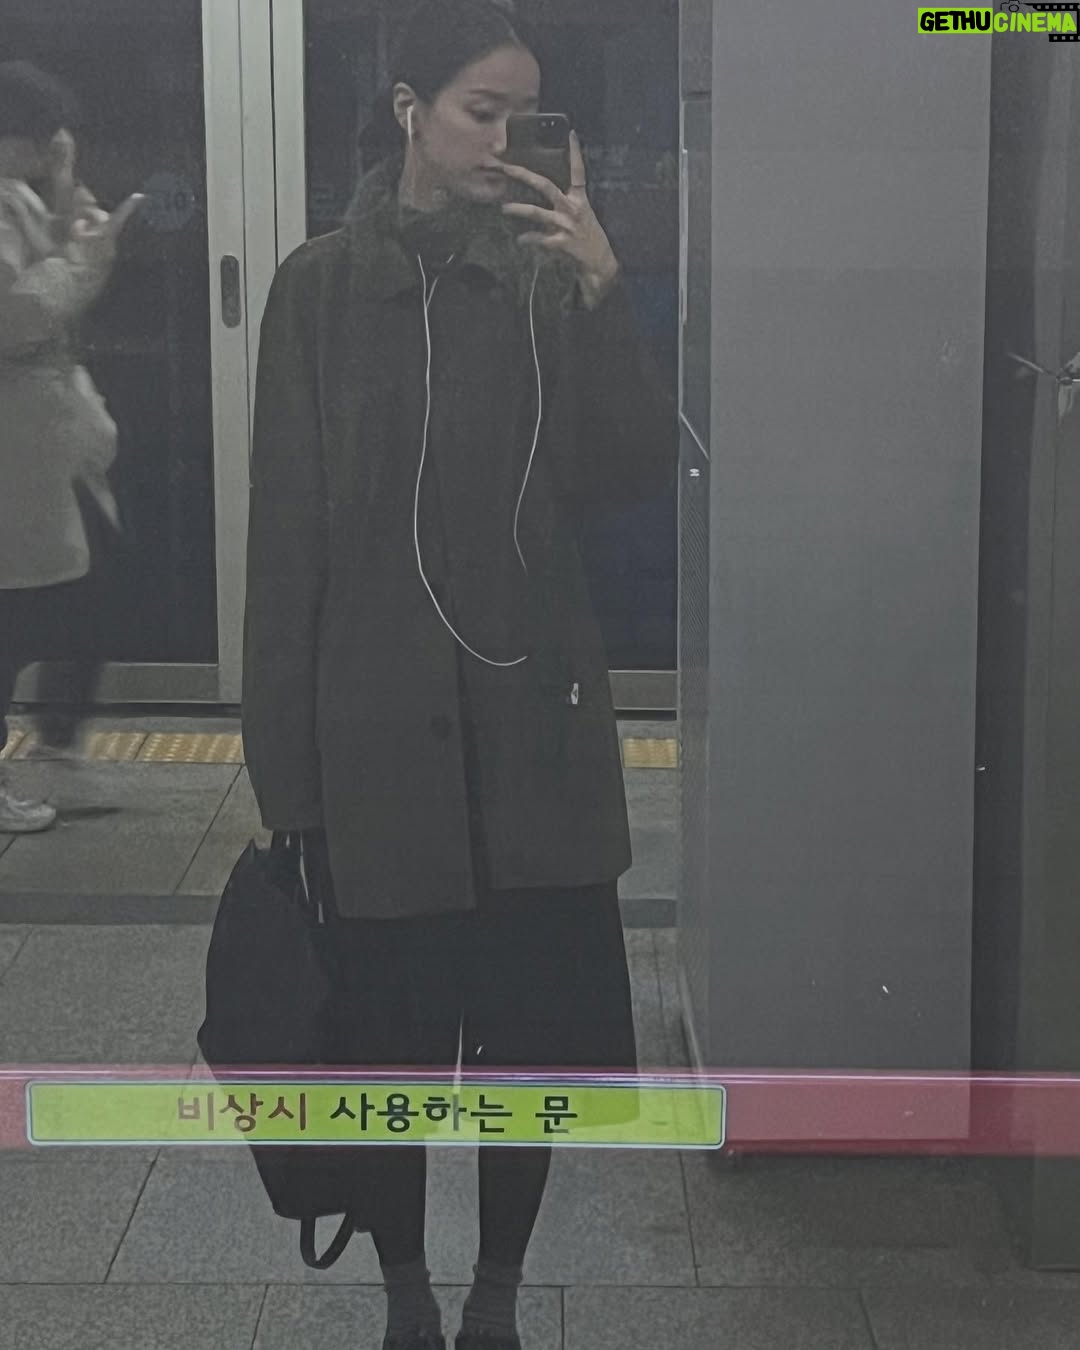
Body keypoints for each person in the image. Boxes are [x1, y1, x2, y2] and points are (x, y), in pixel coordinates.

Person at [241, 2, 675, 1347]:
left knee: (527, 1054)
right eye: (483, 113)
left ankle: (495, 1290)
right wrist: (288, 787)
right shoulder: (321, 289)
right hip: (377, 748)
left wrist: (602, 289)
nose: (505, 142)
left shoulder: (546, 281)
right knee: (384, 1053)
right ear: (408, 111)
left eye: (527, 119)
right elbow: (286, 542)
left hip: (532, 735)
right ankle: (405, 1293)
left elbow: (628, 470)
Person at [0, 60, 141, 832]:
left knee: (90, 584)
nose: (51, 148)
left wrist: (63, 200)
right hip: (17, 449)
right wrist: (82, 261)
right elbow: (16, 314)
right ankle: (49, 744)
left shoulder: (18, 197)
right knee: (22, 613)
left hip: (45, 447)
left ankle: (58, 741)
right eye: (41, 138)